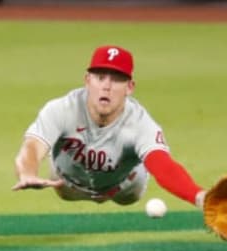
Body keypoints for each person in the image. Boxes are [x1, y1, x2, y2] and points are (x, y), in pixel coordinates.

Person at [12, 45, 206, 208]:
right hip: (66, 185)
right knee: (58, 178)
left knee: (132, 192)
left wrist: (200, 197)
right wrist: (27, 173)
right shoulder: (61, 109)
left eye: (116, 79)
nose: (107, 86)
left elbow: (163, 166)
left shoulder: (140, 123)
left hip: (126, 187)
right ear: (87, 81)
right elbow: (32, 146)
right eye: (100, 77)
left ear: (129, 87)